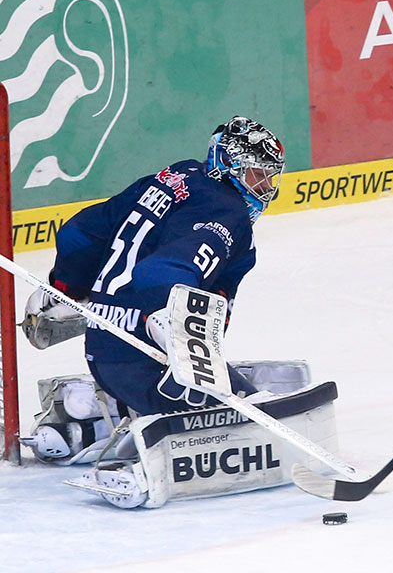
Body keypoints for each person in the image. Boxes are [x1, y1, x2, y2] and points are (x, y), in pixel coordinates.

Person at [22, 115, 286, 457]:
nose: (264, 187)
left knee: (186, 381)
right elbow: (163, 271)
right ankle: (149, 431)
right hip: (146, 359)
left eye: (269, 177)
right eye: (256, 174)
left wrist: (65, 287)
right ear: (227, 162)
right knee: (249, 419)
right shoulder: (228, 211)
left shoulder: (176, 177)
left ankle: (87, 423)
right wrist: (175, 324)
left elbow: (80, 233)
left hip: (102, 351)